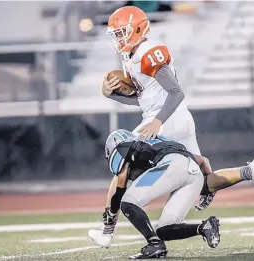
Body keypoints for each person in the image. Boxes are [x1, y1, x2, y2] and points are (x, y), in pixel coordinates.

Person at [88, 129, 254, 259]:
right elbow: (203, 161)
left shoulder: (122, 147)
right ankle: (205, 226)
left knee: (128, 202)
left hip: (172, 165)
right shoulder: (157, 142)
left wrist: (111, 216)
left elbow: (120, 185)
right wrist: (207, 190)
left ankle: (155, 244)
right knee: (166, 228)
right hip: (193, 171)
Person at [102, 5, 212, 211]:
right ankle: (247, 172)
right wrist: (110, 94)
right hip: (179, 117)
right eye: (116, 35)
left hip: (165, 119)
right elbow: (143, 100)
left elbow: (176, 92)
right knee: (198, 169)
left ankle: (107, 224)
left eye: (121, 33)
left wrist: (156, 122)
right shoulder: (133, 55)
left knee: (123, 160)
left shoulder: (148, 52)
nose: (118, 39)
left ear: (137, 29)